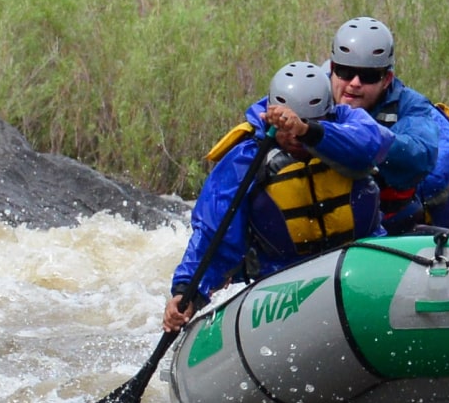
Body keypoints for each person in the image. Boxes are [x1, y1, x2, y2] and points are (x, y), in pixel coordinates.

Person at [161, 62, 394, 330]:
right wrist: (187, 292)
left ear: (327, 116)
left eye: (308, 122)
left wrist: (308, 130)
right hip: (285, 285)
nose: (294, 137)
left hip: (361, 269)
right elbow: (214, 235)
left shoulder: (351, 125)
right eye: (286, 128)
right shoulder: (246, 160)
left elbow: (374, 144)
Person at [325, 16, 449, 236]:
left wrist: (364, 141)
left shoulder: (412, 106)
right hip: (346, 233)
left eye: (369, 76)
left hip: (426, 228)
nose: (354, 83)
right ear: (333, 68)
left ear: (387, 79)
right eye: (345, 72)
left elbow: (418, 154)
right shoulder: (312, 96)